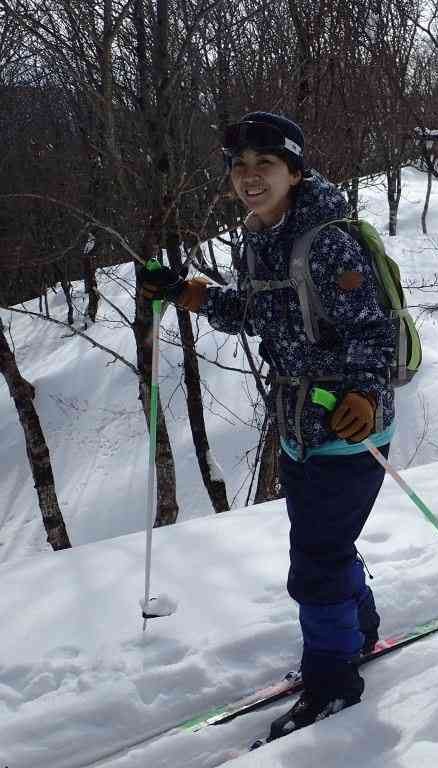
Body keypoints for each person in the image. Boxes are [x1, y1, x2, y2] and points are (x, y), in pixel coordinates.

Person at [139, 112, 396, 740]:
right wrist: (186, 292)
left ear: (295, 170)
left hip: (348, 426)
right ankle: (355, 632)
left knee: (316, 556)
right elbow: (252, 313)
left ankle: (333, 678)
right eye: (239, 166)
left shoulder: (332, 239)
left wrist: (363, 392)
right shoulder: (258, 238)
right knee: (323, 544)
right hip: (296, 425)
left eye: (265, 165)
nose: (250, 177)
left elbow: (376, 326)